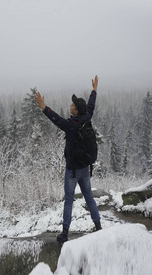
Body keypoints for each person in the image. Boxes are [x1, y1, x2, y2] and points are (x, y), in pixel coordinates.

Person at [34, 75, 102, 244]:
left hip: (72, 172)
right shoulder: (87, 118)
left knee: (69, 202)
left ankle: (65, 233)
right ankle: (99, 228)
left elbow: (56, 119)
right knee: (89, 198)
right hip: (85, 169)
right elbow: (91, 106)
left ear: (76, 111)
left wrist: (44, 107)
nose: (70, 106)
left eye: (72, 105)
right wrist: (94, 90)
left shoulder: (71, 126)